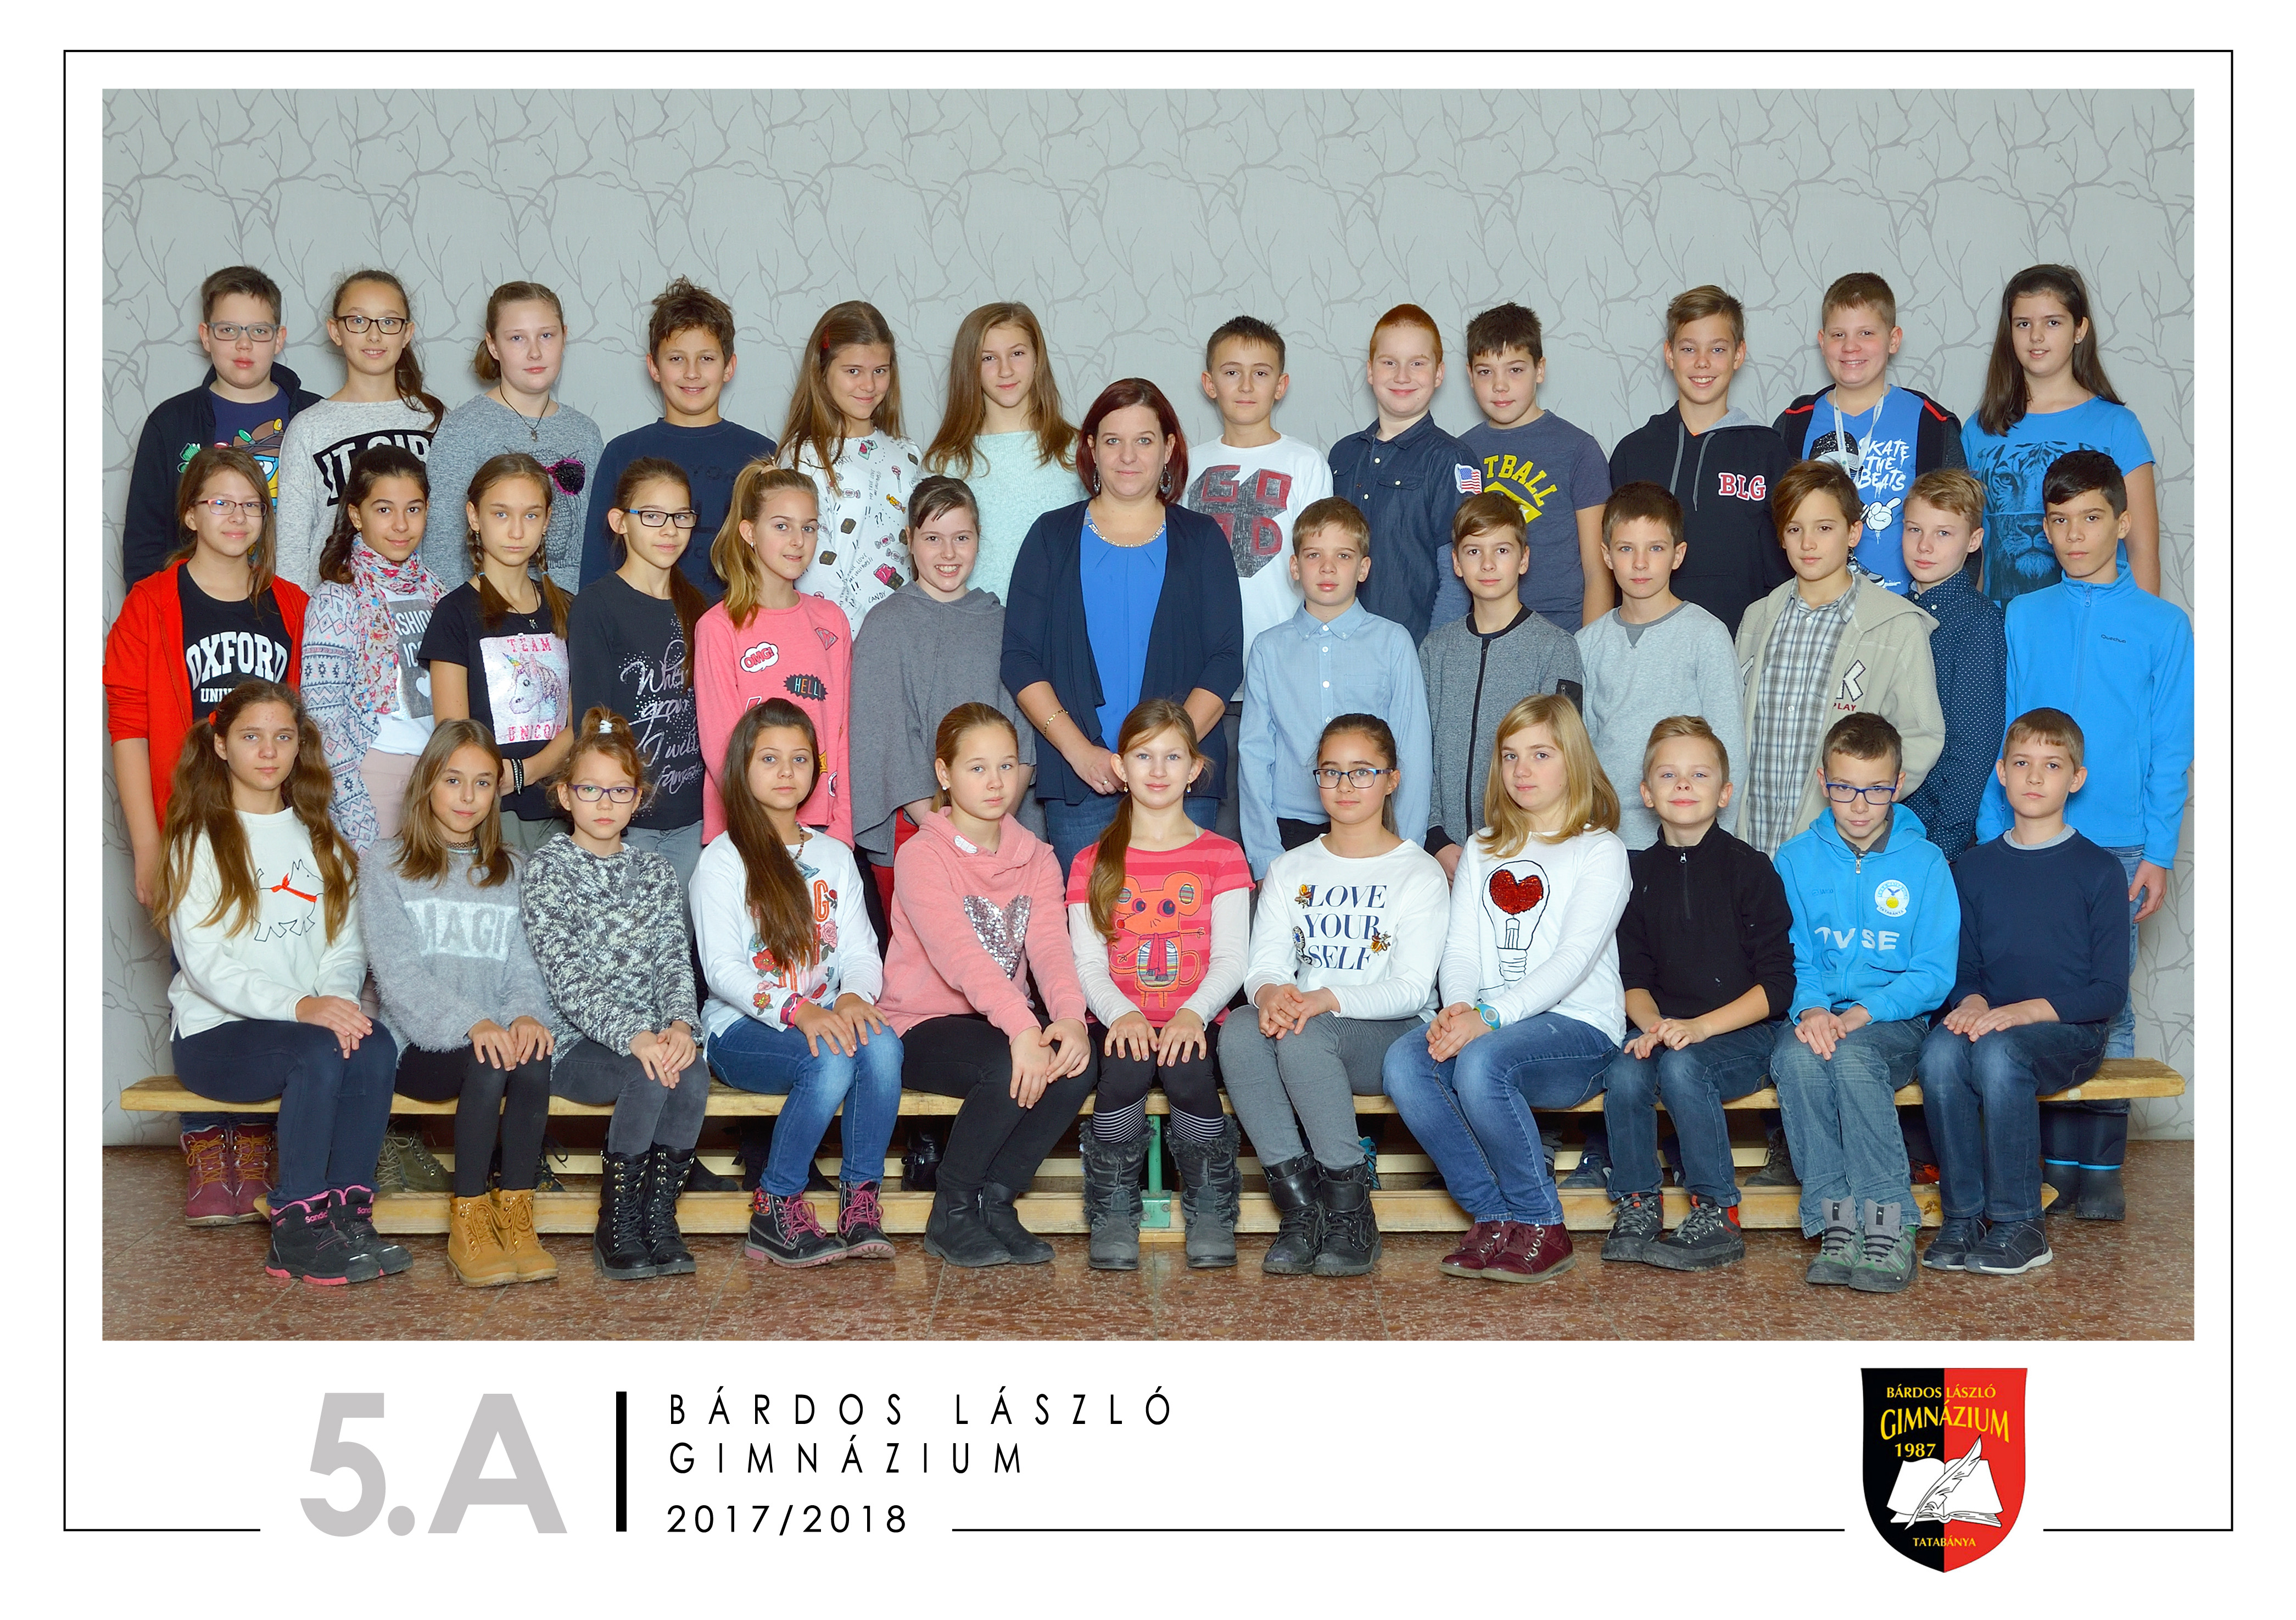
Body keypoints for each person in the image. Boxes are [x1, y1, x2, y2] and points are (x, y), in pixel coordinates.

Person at [1974, 450, 2192, 1218]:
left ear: (2122, 523)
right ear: (2044, 527)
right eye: (2059, 520)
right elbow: (2007, 730)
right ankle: (2048, 1165)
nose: (2074, 535)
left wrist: (2157, 851)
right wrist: (1992, 832)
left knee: (2105, 1005)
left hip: (2119, 845)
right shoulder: (2023, 615)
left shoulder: (2163, 625)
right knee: (2026, 995)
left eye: (2091, 518)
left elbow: (2171, 745)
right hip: (2028, 838)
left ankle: (2096, 1167)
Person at [107, 445, 311, 1221]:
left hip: (274, 828)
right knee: (201, 982)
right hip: (191, 828)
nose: (236, 516)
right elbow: (129, 729)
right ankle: (206, 1143)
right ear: (190, 513)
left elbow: (309, 726)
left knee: (274, 966)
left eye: (250, 504)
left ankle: (254, 1144)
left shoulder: (289, 603)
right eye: (219, 502)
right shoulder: (151, 604)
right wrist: (148, 844)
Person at [152, 679, 400, 1284]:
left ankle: (347, 1217)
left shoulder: (321, 839)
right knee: (315, 1051)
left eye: (283, 737)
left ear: (298, 746)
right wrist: (303, 1006)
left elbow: (346, 945)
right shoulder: (196, 840)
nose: (268, 751)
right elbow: (206, 965)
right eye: (251, 737)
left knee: (374, 1045)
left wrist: (335, 1004)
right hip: (216, 1035)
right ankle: (296, 1230)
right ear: (221, 745)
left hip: (307, 1022)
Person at [1381, 693, 1630, 1284]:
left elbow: (1573, 959)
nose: (1521, 769)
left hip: (1578, 1029)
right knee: (1405, 1062)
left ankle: (1542, 1221)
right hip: (1489, 1020)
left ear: (1572, 760)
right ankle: (1493, 1214)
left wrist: (1487, 1018)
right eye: (1511, 755)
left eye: (1541, 754)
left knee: (1481, 1063)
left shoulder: (1600, 849)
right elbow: (1462, 948)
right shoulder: (1483, 846)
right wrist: (1457, 1007)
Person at [1220, 714, 1448, 1277]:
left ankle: (1350, 1212)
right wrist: (1270, 992)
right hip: (1308, 1022)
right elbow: (1264, 965)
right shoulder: (1289, 867)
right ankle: (1301, 1210)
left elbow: (1412, 989)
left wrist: (1324, 998)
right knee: (1241, 1029)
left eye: (1362, 771)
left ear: (1391, 779)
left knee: (1306, 1036)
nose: (1345, 785)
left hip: (1389, 1033)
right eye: (1331, 771)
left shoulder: (1416, 872)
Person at [876, 704, 1097, 1267]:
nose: (996, 782)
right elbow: (961, 958)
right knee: (1006, 1065)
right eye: (977, 768)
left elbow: (1050, 949)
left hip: (998, 1020)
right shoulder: (921, 854)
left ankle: (996, 1202)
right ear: (944, 773)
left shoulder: (1036, 857)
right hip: (918, 1023)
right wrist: (1024, 1028)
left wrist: (1068, 1018)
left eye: (1006, 765)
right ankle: (951, 1211)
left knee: (1076, 1061)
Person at [1004, 378, 1244, 874]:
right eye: (1113, 440)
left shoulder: (1202, 539)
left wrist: (1166, 757)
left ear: (1168, 448)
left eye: (1144, 440)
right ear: (1092, 448)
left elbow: (1224, 660)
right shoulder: (1050, 536)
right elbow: (1020, 658)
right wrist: (1080, 754)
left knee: (1179, 922)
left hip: (1180, 785)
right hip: (1081, 783)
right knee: (1091, 923)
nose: (1128, 456)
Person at [1919, 708, 2127, 1277]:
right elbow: (1964, 970)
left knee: (1998, 1052)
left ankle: (2020, 1223)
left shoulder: (2099, 870)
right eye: (2021, 763)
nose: (2034, 777)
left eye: (2052, 765)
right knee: (1938, 1052)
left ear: (2075, 779)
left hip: (2068, 1033)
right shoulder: (1972, 867)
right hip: (1992, 1023)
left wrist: (2026, 1011)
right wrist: (1970, 1001)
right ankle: (1963, 1217)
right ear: (2001, 773)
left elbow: (2109, 991)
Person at [693, 700, 901, 1267]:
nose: (786, 771)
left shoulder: (834, 856)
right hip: (740, 1029)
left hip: (826, 1013)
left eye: (800, 758)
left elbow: (860, 950)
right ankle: (776, 1206)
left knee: (884, 1047)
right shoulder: (723, 860)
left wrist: (854, 995)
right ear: (742, 766)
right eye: (769, 758)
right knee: (829, 1061)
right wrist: (798, 1011)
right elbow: (722, 971)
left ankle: (860, 1205)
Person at [359, 720, 560, 1287]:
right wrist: (474, 1022)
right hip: (420, 1044)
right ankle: (468, 1219)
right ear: (427, 783)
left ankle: (516, 1218)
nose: (468, 796)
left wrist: (524, 1015)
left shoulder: (514, 869)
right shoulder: (385, 863)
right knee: (490, 1060)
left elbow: (525, 965)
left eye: (482, 782)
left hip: (494, 1033)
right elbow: (399, 977)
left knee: (534, 1055)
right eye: (453, 780)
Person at [1770, 712, 1958, 1294]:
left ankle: (1887, 1222)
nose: (1859, 805)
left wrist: (1863, 1012)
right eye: (1844, 788)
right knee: (1797, 1059)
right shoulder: (1794, 859)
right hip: (1816, 1011)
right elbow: (1791, 955)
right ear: (1822, 781)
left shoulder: (1925, 862)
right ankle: (1836, 1223)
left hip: (1893, 1019)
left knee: (1852, 1058)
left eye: (1875, 790)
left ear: (1898, 784)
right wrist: (1810, 1009)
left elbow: (1932, 972)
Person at [1598, 716, 1794, 1272]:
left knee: (1684, 1067)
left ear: (1724, 793)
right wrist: (1651, 1027)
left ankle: (1716, 1210)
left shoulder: (1750, 869)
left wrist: (1699, 1029)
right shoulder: (1636, 874)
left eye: (1699, 774)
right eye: (1668, 774)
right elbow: (1632, 978)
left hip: (1744, 1033)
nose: (1683, 784)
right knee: (1625, 1070)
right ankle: (1637, 1202)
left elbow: (1777, 986)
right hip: (1667, 1028)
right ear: (1646, 794)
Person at [1065, 700, 1253, 1271]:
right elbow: (1087, 963)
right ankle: (1113, 1207)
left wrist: (1193, 1013)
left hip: (1197, 1018)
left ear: (1194, 768)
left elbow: (1232, 957)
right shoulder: (1091, 861)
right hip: (1118, 1016)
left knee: (1187, 1067)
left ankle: (1209, 1204)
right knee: (1124, 1067)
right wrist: (1121, 1014)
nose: (1157, 769)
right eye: (1143, 755)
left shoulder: (1222, 856)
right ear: (1120, 766)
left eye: (1173, 757)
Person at [521, 710, 705, 1282]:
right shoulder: (548, 869)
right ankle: (618, 1221)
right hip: (574, 1042)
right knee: (645, 1074)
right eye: (590, 789)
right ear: (565, 795)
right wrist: (635, 1037)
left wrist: (680, 1025)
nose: (605, 803)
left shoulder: (655, 872)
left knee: (691, 1073)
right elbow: (567, 979)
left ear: (637, 798)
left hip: (650, 1034)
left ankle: (658, 1217)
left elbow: (673, 959)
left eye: (619, 790)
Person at [1735, 459, 1945, 856]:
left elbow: (1921, 736)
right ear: (1781, 537)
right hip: (1749, 843)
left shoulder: (1896, 626)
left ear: (1854, 532)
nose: (1807, 543)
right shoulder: (1757, 619)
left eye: (1824, 528)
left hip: (1836, 849)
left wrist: (1860, 805)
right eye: (1794, 529)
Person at [848, 475, 1035, 897]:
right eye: (933, 538)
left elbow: (1024, 737)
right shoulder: (885, 626)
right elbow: (887, 748)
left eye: (961, 538)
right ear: (909, 540)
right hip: (917, 833)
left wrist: (993, 828)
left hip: (1003, 833)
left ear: (978, 538)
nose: (948, 554)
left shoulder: (1002, 624)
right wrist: (953, 837)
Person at [1239, 496, 1432, 878]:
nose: (1327, 568)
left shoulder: (1393, 642)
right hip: (1290, 831)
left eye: (1343, 556)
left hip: (1374, 827)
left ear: (1363, 568)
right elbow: (1255, 755)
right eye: (1314, 555)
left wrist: (1407, 850)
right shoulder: (1268, 648)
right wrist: (1264, 858)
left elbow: (1412, 748)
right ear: (1295, 567)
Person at [1964, 264, 2160, 602]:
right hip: (2000, 625)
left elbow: (2143, 550)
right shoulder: (1980, 429)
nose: (2036, 337)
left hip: (2094, 622)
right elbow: (1970, 549)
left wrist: (2136, 630)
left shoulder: (2117, 426)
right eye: (2023, 324)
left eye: (2053, 322)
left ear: (2079, 329)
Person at [1606, 284, 1792, 635]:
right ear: (1669, 354)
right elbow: (1611, 564)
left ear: (1739, 354)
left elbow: (1784, 567)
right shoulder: (1633, 452)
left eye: (1717, 349)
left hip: (1743, 642)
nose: (1702, 362)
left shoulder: (1768, 451)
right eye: (1689, 349)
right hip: (1647, 642)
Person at [577, 277, 777, 597]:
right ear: (654, 367)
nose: (692, 373)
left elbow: (777, 559)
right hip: (642, 625)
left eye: (707, 358)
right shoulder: (622, 453)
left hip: (740, 625)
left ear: (729, 367)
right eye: (676, 359)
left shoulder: (761, 453)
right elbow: (598, 568)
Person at [123, 265, 319, 588]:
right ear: (206, 336)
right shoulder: (170, 423)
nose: (244, 344)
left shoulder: (317, 416)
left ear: (279, 339)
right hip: (197, 607)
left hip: (302, 605)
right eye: (228, 330)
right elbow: (143, 544)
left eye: (259, 331)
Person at [1772, 272, 1966, 595]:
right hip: (1815, 607)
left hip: (1907, 607)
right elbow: (1776, 524)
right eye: (1838, 335)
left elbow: (1961, 523)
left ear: (1894, 340)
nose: (1851, 347)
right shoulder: (1794, 424)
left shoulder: (1932, 424)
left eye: (1866, 333)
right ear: (1822, 341)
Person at [1422, 491, 1585, 875]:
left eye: (1502, 550)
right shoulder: (1435, 650)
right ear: (1456, 562)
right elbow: (1419, 751)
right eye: (1473, 551)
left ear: (1523, 559)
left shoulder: (1556, 648)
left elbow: (1562, 758)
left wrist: (1512, 844)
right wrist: (1436, 838)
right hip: (1442, 854)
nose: (1488, 564)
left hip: (1523, 851)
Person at [1575, 482, 1744, 851]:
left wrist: (1719, 844)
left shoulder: (1707, 635)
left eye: (1655, 548)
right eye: (1626, 549)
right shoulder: (1587, 643)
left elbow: (1729, 746)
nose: (1640, 563)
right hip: (1605, 841)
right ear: (1606, 555)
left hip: (1686, 841)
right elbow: (1579, 752)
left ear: (1677, 554)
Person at [418, 453, 574, 852]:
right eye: (501, 514)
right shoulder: (454, 613)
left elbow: (579, 724)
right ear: (475, 517)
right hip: (491, 815)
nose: (517, 531)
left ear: (547, 520)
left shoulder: (568, 608)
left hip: (565, 808)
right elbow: (454, 735)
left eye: (531, 515)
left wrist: (525, 772)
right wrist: (497, 780)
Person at [696, 463, 852, 848]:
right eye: (782, 526)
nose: (798, 541)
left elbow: (844, 731)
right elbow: (721, 747)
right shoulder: (719, 627)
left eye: (809, 528)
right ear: (749, 532)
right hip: (745, 831)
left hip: (821, 827)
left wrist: (843, 828)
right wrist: (761, 833)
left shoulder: (831, 621)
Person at [570, 458, 710, 886]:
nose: (669, 530)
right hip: (628, 823)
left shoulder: (701, 608)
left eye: (681, 516)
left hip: (694, 821)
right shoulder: (597, 606)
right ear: (620, 522)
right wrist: (613, 809)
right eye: (652, 516)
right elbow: (591, 723)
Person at [300, 445, 444, 852]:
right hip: (373, 775)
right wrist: (353, 807)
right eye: (384, 510)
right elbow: (324, 718)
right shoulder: (337, 599)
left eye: (414, 509)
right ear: (356, 515)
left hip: (435, 772)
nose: (401, 524)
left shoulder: (438, 592)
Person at [422, 281, 600, 594]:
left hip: (576, 611)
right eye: (517, 338)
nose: (535, 352)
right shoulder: (464, 429)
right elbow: (443, 549)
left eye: (547, 335)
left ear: (564, 337)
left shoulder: (585, 433)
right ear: (493, 346)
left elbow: (597, 543)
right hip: (491, 612)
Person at [275, 269, 446, 589]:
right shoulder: (309, 428)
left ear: (407, 333)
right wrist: (294, 612)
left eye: (389, 322)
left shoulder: (434, 421)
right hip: (334, 609)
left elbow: (449, 531)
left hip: (422, 607)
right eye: (358, 321)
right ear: (336, 331)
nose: (374, 336)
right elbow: (292, 546)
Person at [1183, 315, 1335, 664]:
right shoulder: (1187, 465)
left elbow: (1320, 562)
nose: (1246, 386)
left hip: (1285, 659)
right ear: (1210, 384)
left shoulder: (1306, 463)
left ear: (1281, 386)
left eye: (1261, 373)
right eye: (1232, 372)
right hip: (1201, 660)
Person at [1452, 301, 1613, 627]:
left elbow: (1598, 571)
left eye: (1515, 370)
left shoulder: (1578, 450)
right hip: (1485, 632)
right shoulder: (1458, 453)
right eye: (1486, 371)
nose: (1500, 385)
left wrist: (1589, 647)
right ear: (1470, 375)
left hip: (1563, 629)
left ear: (1540, 369)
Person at [1326, 303, 1478, 640]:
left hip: (1414, 649)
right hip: (1337, 646)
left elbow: (1457, 578)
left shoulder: (1452, 460)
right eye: (1389, 362)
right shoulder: (1342, 455)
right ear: (1370, 371)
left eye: (1418, 364)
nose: (1402, 376)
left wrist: (1434, 655)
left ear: (1439, 374)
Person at [921, 301, 1083, 602]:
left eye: (1017, 354)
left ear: (1037, 359)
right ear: (970, 367)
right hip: (974, 624)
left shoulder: (1077, 452)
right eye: (988, 358)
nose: (1005, 370)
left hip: (1060, 621)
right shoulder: (944, 463)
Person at [781, 300, 923, 633]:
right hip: (837, 638)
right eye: (853, 371)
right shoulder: (802, 458)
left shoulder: (909, 454)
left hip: (909, 634)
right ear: (822, 371)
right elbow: (815, 570)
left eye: (880, 371)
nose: (869, 386)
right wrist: (866, 639)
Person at [1897, 470, 2005, 861]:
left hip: (1936, 832)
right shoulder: (1895, 613)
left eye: (1943, 533)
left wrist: (1943, 844)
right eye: (1914, 529)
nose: (1924, 546)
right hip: (1884, 817)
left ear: (1973, 541)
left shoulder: (1978, 622)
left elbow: (1974, 744)